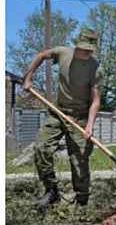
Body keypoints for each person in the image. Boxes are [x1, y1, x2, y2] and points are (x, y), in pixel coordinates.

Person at [23, 28, 104, 212]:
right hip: (58, 111)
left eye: (88, 50)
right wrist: (28, 77)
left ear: (93, 50)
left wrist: (90, 126)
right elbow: (42, 55)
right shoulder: (63, 53)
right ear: (77, 45)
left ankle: (82, 201)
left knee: (79, 160)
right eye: (82, 49)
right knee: (41, 148)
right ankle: (51, 191)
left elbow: (96, 101)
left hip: (81, 117)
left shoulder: (96, 69)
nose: (85, 53)